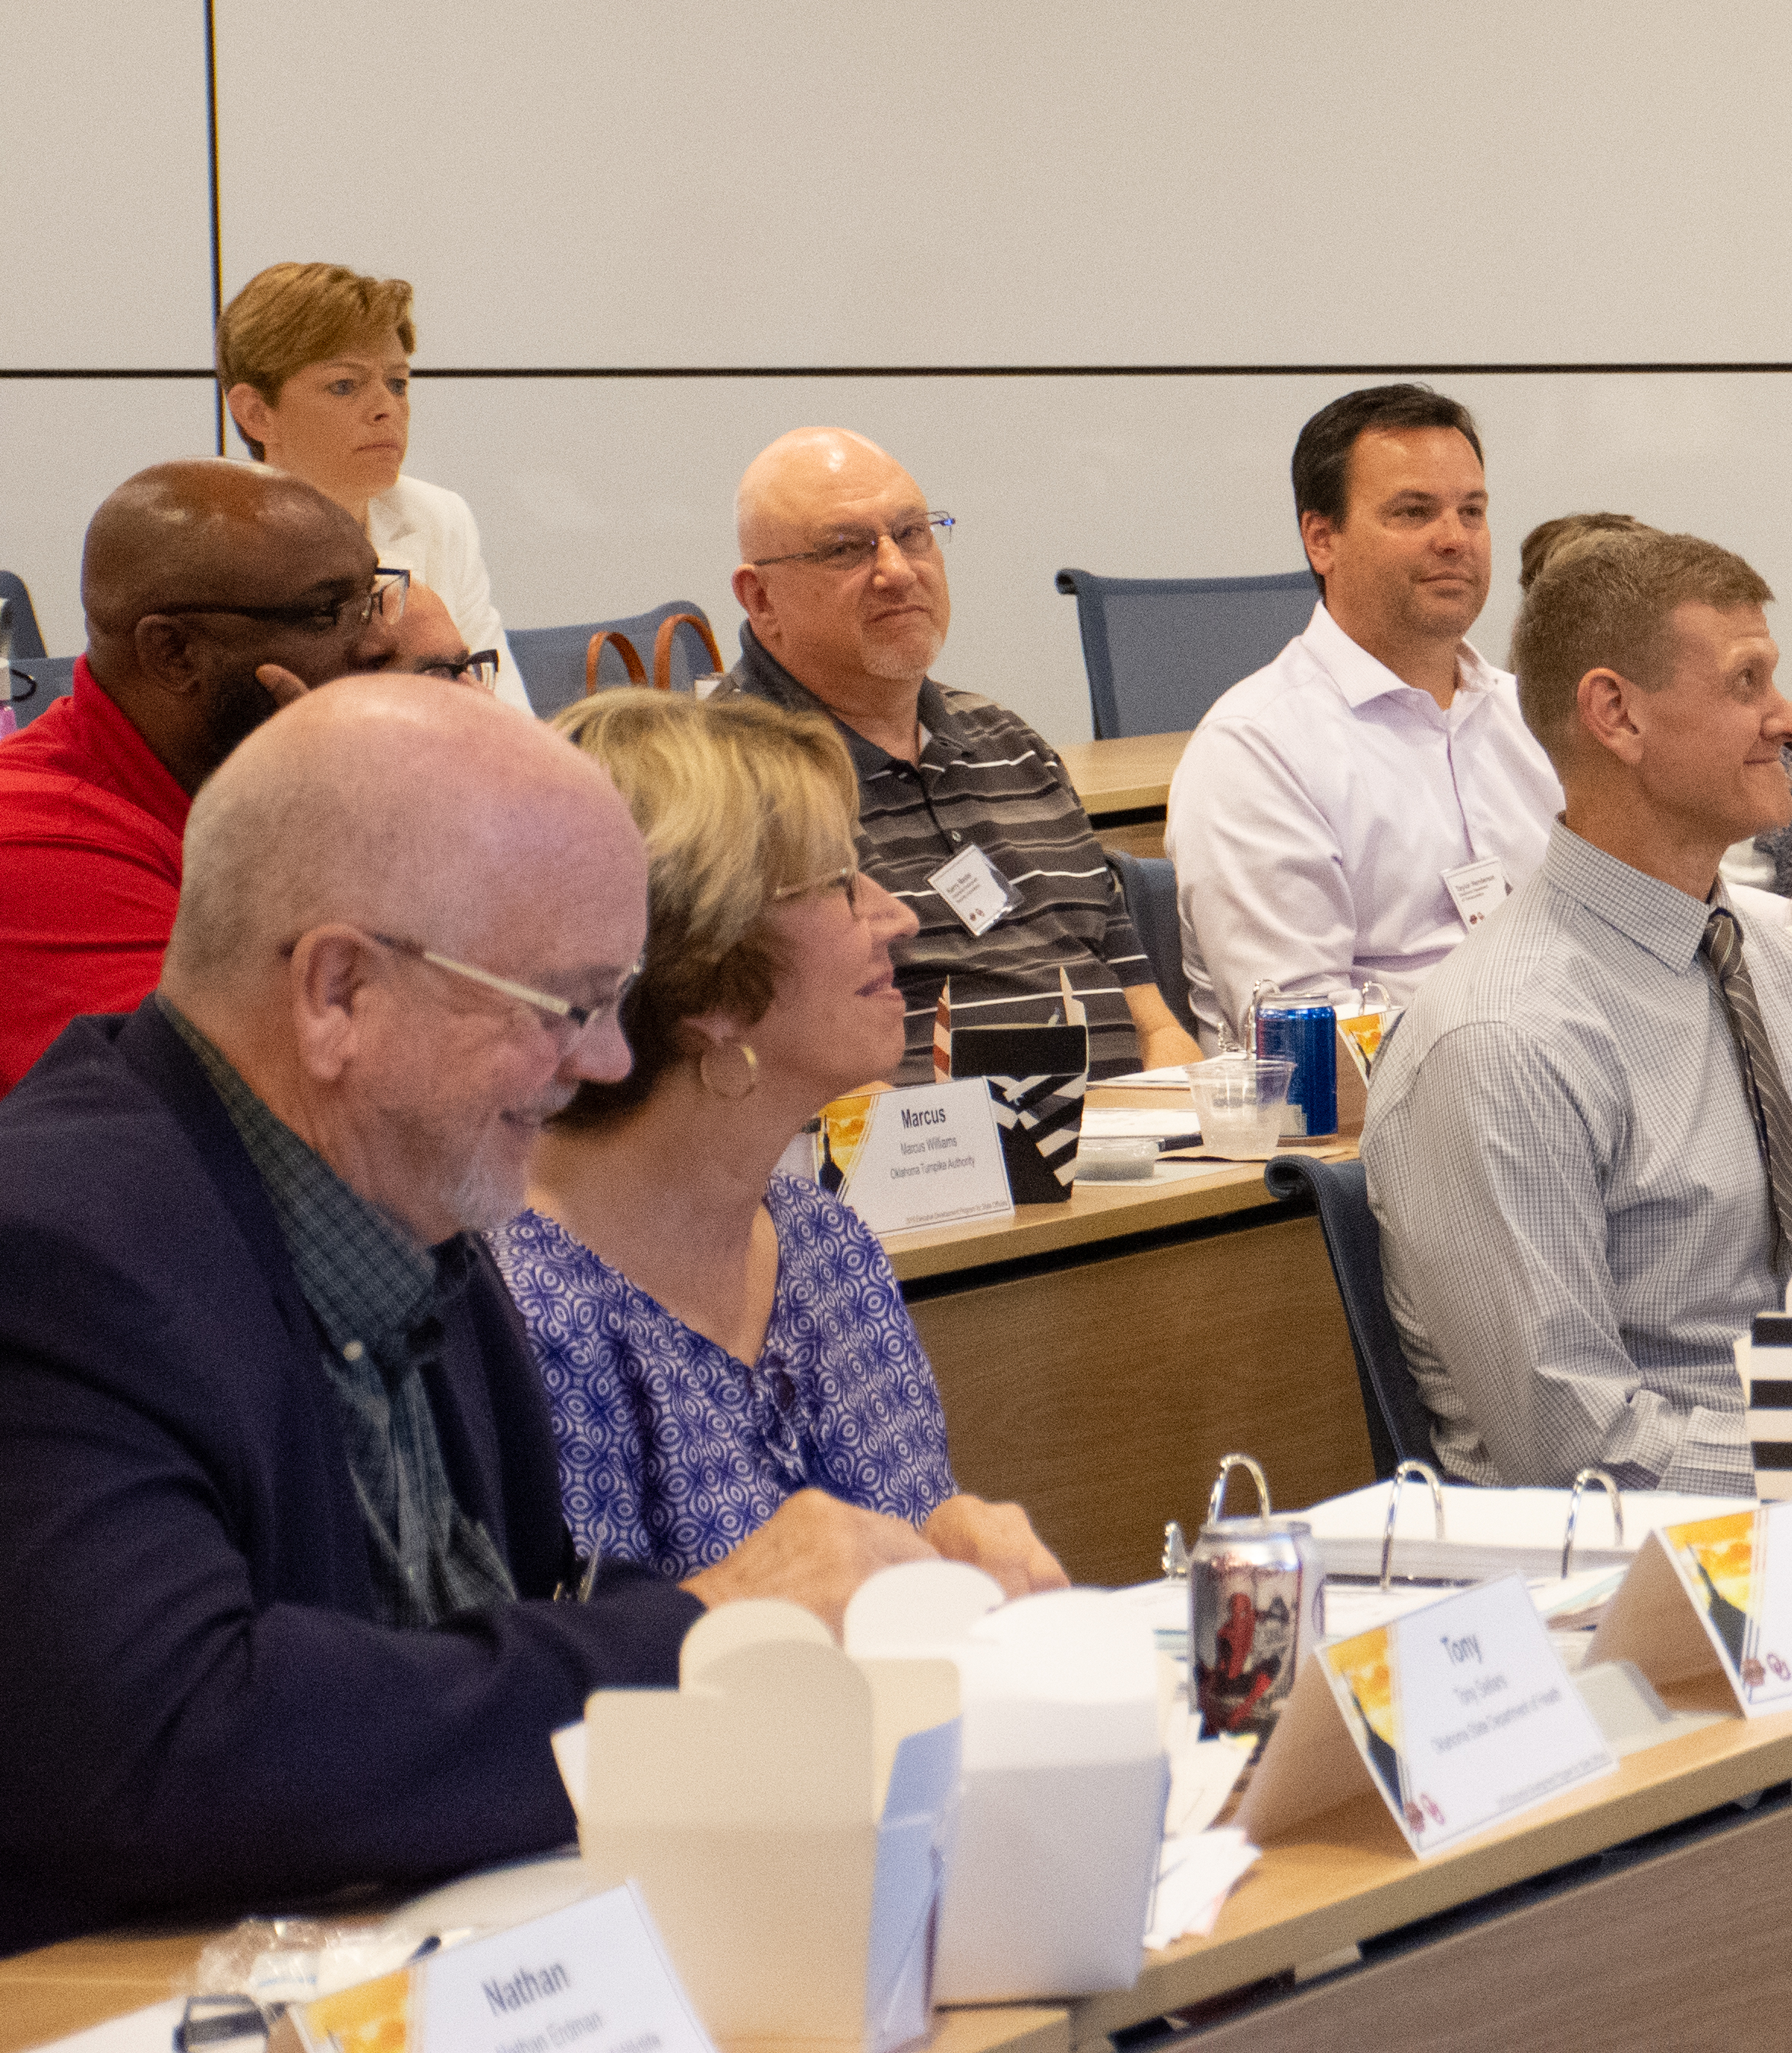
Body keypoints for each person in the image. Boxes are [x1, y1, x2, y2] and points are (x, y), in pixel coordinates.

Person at [0, 676, 935, 1950]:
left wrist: (873, 1593)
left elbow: (509, 1627)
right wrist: (709, 1628)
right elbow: (182, 1740)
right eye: (564, 1005)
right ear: (338, 992)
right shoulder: (59, 1252)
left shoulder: (413, 1213)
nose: (608, 1060)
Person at [1362, 525, 1792, 1492]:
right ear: (1615, 715)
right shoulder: (1501, 1042)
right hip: (1635, 1568)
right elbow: (1574, 1445)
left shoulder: (1788, 969)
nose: (1791, 719)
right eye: (1746, 683)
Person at [500, 690, 1072, 1596]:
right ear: (704, 972)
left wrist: (954, 1550)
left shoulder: (826, 1248)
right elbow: (552, 1709)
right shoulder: (522, 1320)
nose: (899, 919)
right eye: (843, 884)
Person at [719, 427, 1193, 1078]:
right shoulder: (730, 785)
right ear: (761, 598)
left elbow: (1152, 1022)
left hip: (1133, 1150)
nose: (896, 570)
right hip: (922, 1162)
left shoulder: (1009, 744)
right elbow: (775, 1076)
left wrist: (1184, 1137)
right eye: (844, 549)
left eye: (912, 533)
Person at [1171, 384, 1565, 1042]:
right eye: (1414, 513)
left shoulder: (1533, 716)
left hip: (1577, 1090)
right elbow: (1305, 1035)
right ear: (1322, 540)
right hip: (1381, 1127)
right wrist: (1532, 1052)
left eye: (1472, 511)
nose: (1454, 539)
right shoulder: (1256, 746)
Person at [0, 463, 403, 1091]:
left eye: (372, 597)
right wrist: (354, 832)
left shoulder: (231, 791)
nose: (383, 641)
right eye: (328, 614)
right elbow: (276, 1118)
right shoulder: (33, 848)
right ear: (175, 652)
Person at [220, 259, 534, 712]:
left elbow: (504, 719)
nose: (386, 408)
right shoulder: (214, 552)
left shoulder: (437, 518)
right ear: (256, 413)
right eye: (345, 385)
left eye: (397, 383)